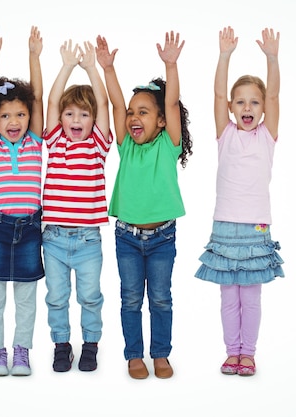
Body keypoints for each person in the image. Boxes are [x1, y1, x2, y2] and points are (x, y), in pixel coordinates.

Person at [96, 32, 192, 379]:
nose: (134, 117)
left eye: (145, 112)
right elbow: (117, 106)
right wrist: (108, 69)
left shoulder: (169, 145)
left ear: (162, 121)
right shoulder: (126, 147)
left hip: (163, 238)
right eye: (133, 113)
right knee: (130, 299)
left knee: (161, 299)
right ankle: (134, 355)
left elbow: (171, 102)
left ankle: (161, 354)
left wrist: (171, 65)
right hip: (127, 238)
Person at [194, 27, 285, 377]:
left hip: (256, 225)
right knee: (228, 297)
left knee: (251, 297)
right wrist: (224, 56)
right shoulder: (225, 133)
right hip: (225, 226)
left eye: (255, 102)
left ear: (263, 109)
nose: (248, 107)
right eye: (240, 102)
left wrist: (272, 59)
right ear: (232, 108)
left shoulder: (267, 137)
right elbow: (217, 95)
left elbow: (275, 96)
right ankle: (232, 352)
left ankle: (249, 353)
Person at [0, 26, 44, 377]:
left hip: (30, 227)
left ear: (29, 116)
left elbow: (39, 98)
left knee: (26, 298)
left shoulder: (34, 142)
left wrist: (34, 57)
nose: (13, 121)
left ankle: (22, 351)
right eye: (4, 116)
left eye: (19, 114)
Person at [42, 39, 111, 372]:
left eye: (84, 114)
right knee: (56, 297)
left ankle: (91, 345)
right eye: (70, 113)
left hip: (87, 240)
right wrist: (67, 66)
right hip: (53, 239)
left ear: (93, 120)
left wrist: (91, 68)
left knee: (89, 296)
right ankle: (61, 344)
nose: (75, 118)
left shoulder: (98, 144)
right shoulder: (55, 143)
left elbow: (104, 103)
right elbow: (53, 100)